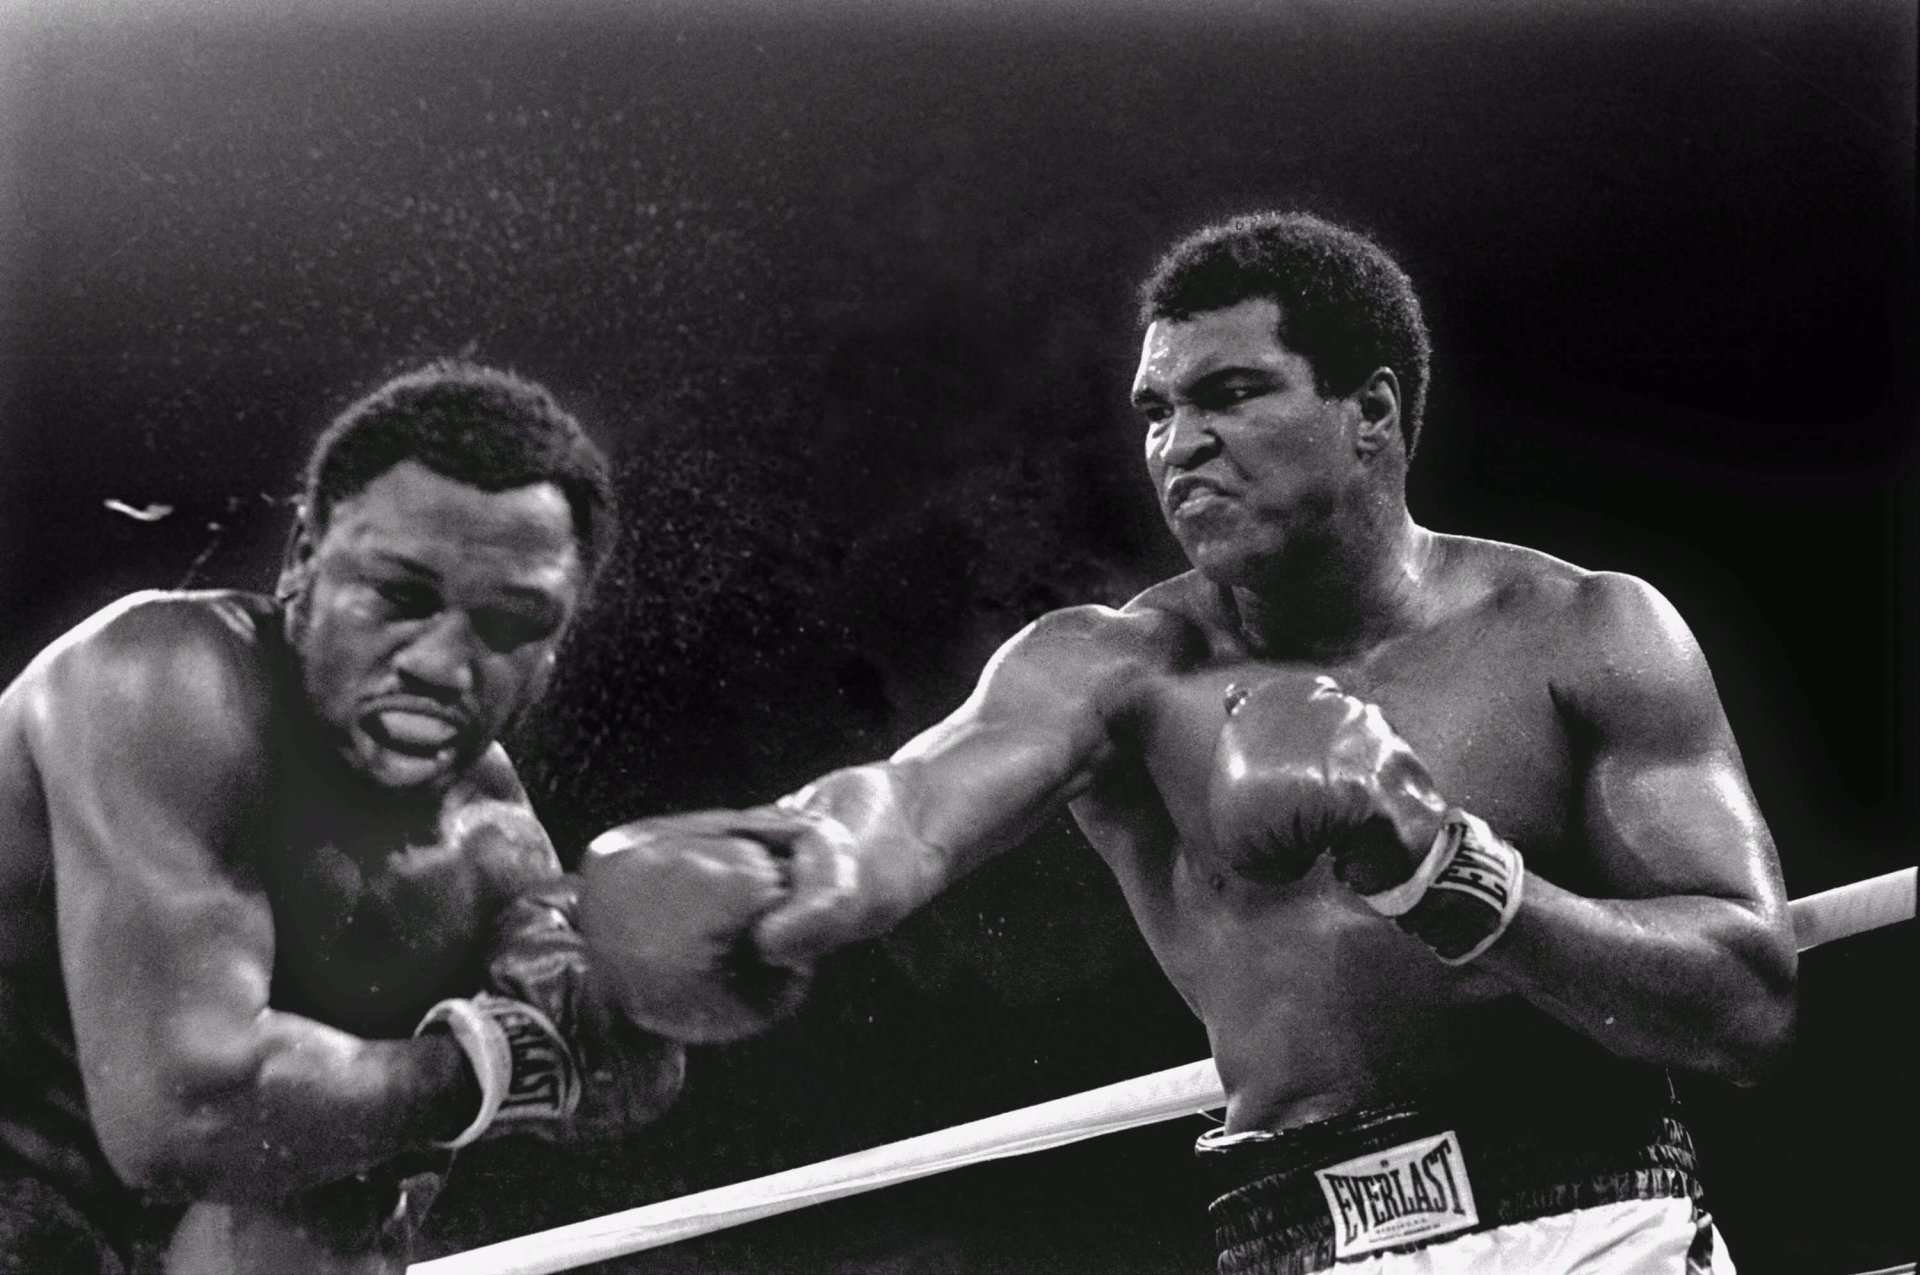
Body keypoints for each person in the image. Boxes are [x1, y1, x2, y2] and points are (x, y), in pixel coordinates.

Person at [580, 213, 1799, 1273]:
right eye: (1158, 411)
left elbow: (1745, 1004)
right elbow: (910, 803)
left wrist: (1449, 873)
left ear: (1371, 412)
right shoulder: (1116, 669)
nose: (1179, 444)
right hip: (1295, 1239)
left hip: (1597, 1224)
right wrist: (803, 861)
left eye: (1231, 395)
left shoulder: (1584, 632)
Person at [0, 362, 685, 1275]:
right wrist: (500, 1063)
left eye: (511, 622)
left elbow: (621, 1069)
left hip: (121, 1240)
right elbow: (183, 1115)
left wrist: (641, 1002)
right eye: (400, 595)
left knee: (329, 1213)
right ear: (302, 559)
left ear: (555, 647)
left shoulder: (496, 845)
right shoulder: (160, 682)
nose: (440, 664)